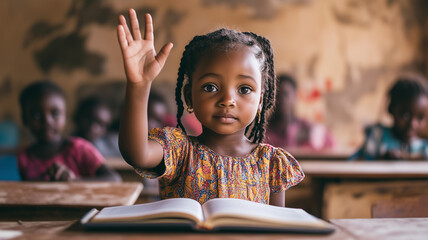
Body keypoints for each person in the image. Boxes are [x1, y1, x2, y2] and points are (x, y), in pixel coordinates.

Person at [117, 9, 304, 206]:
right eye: (210, 87)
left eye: (244, 89)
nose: (227, 100)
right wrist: (139, 86)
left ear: (260, 101)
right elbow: (136, 153)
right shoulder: (179, 150)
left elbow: (277, 228)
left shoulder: (270, 163)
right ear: (189, 96)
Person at [18, 80, 121, 181]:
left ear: (66, 116)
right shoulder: (24, 157)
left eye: (55, 113)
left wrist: (74, 180)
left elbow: (114, 179)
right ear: (25, 119)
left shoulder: (79, 149)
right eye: (36, 115)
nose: (47, 121)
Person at [350, 75, 428, 160]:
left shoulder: (424, 148)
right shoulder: (377, 136)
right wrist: (382, 159)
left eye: (420, 118)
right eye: (405, 115)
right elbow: (360, 163)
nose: (413, 124)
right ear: (391, 108)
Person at [265, 74, 334, 150]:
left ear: (294, 96)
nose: (282, 99)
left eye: (286, 94)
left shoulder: (306, 127)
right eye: (276, 95)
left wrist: (311, 137)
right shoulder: (264, 132)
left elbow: (331, 144)